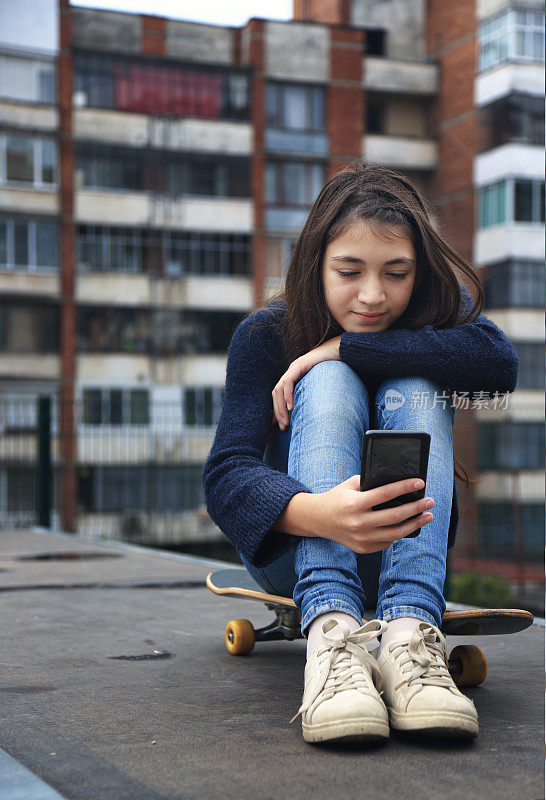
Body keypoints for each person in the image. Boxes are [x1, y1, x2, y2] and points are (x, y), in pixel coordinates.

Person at [202, 162, 518, 745]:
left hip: (409, 549)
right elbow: (225, 477)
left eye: (395, 274)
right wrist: (321, 512)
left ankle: (412, 637)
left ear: (418, 273)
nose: (372, 296)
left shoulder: (436, 322)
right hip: (296, 553)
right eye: (348, 272)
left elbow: (499, 368)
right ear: (315, 265)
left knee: (414, 384)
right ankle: (331, 635)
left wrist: (343, 347)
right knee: (330, 384)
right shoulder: (265, 335)